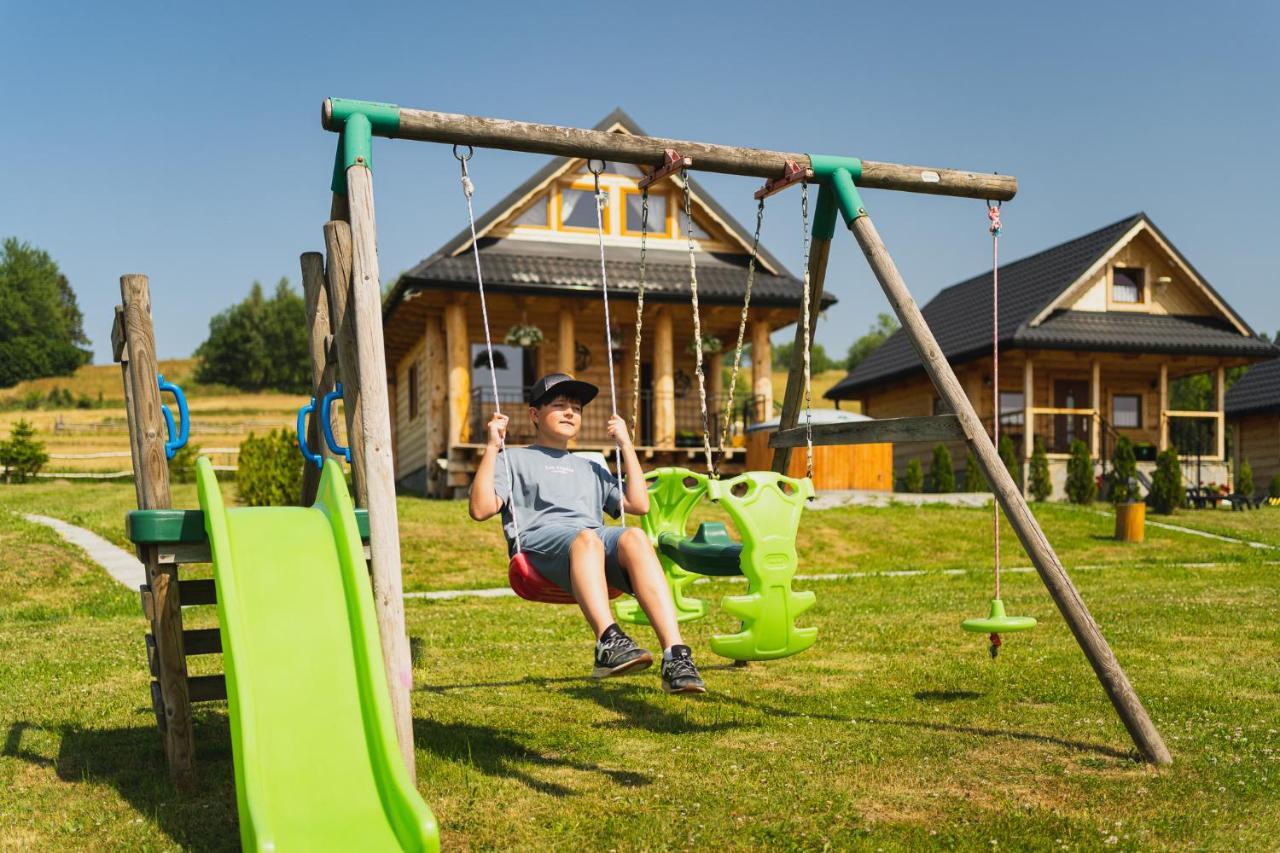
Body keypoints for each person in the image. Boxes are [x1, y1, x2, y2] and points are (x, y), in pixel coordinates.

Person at [469, 373, 705, 694]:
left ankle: (675, 655)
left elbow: (638, 504)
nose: (570, 413)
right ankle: (608, 641)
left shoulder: (589, 466)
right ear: (535, 415)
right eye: (559, 405)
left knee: (633, 536)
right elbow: (481, 509)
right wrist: (492, 447)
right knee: (587, 538)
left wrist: (626, 445)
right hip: (542, 547)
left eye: (576, 409)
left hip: (589, 545)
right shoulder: (513, 458)